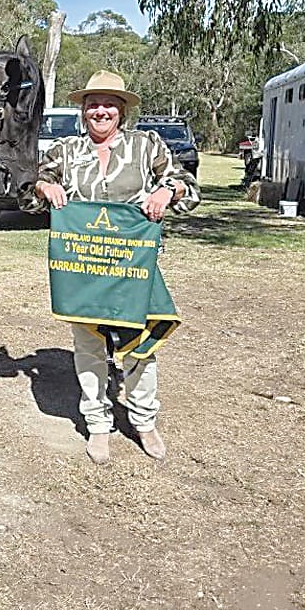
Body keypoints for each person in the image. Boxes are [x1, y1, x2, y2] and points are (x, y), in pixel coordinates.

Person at [26, 70, 200, 465]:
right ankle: (98, 424)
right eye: (92, 104)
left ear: (122, 111)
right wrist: (44, 187)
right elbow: (34, 184)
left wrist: (166, 190)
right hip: (82, 267)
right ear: (83, 110)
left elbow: (185, 183)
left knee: (139, 347)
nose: (99, 111)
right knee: (88, 346)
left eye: (108, 104)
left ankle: (143, 420)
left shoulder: (146, 145)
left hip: (133, 266)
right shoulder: (65, 150)